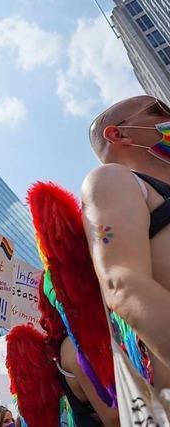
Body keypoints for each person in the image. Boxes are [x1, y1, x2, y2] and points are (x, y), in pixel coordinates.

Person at [83, 95, 170, 392]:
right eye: (159, 111)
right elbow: (121, 283)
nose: (167, 116)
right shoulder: (112, 180)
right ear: (118, 133)